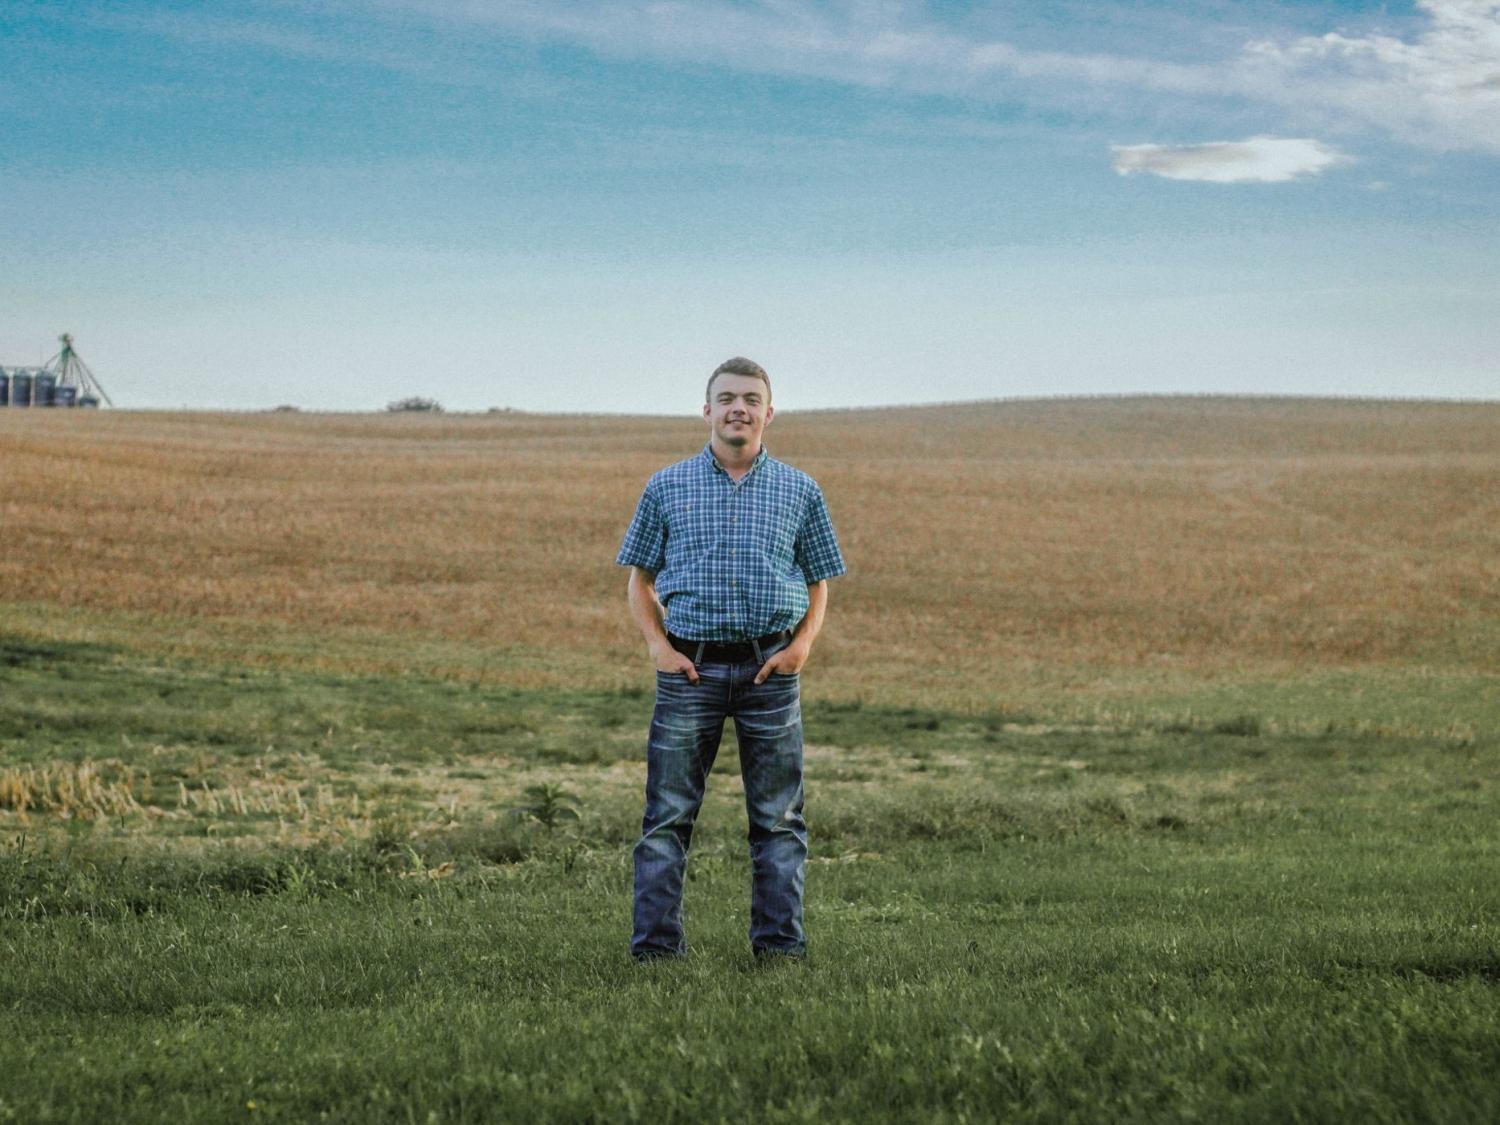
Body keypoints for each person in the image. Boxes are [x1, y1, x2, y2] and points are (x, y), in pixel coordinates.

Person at [616, 356, 846, 961]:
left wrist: (802, 647)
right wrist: (657, 647)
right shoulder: (666, 485)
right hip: (688, 672)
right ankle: (656, 953)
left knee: (778, 821)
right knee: (666, 820)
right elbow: (638, 580)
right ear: (707, 410)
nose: (737, 408)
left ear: (769, 412)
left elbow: (821, 580)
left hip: (770, 671)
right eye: (726, 398)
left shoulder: (801, 489)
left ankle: (779, 951)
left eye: (750, 399)